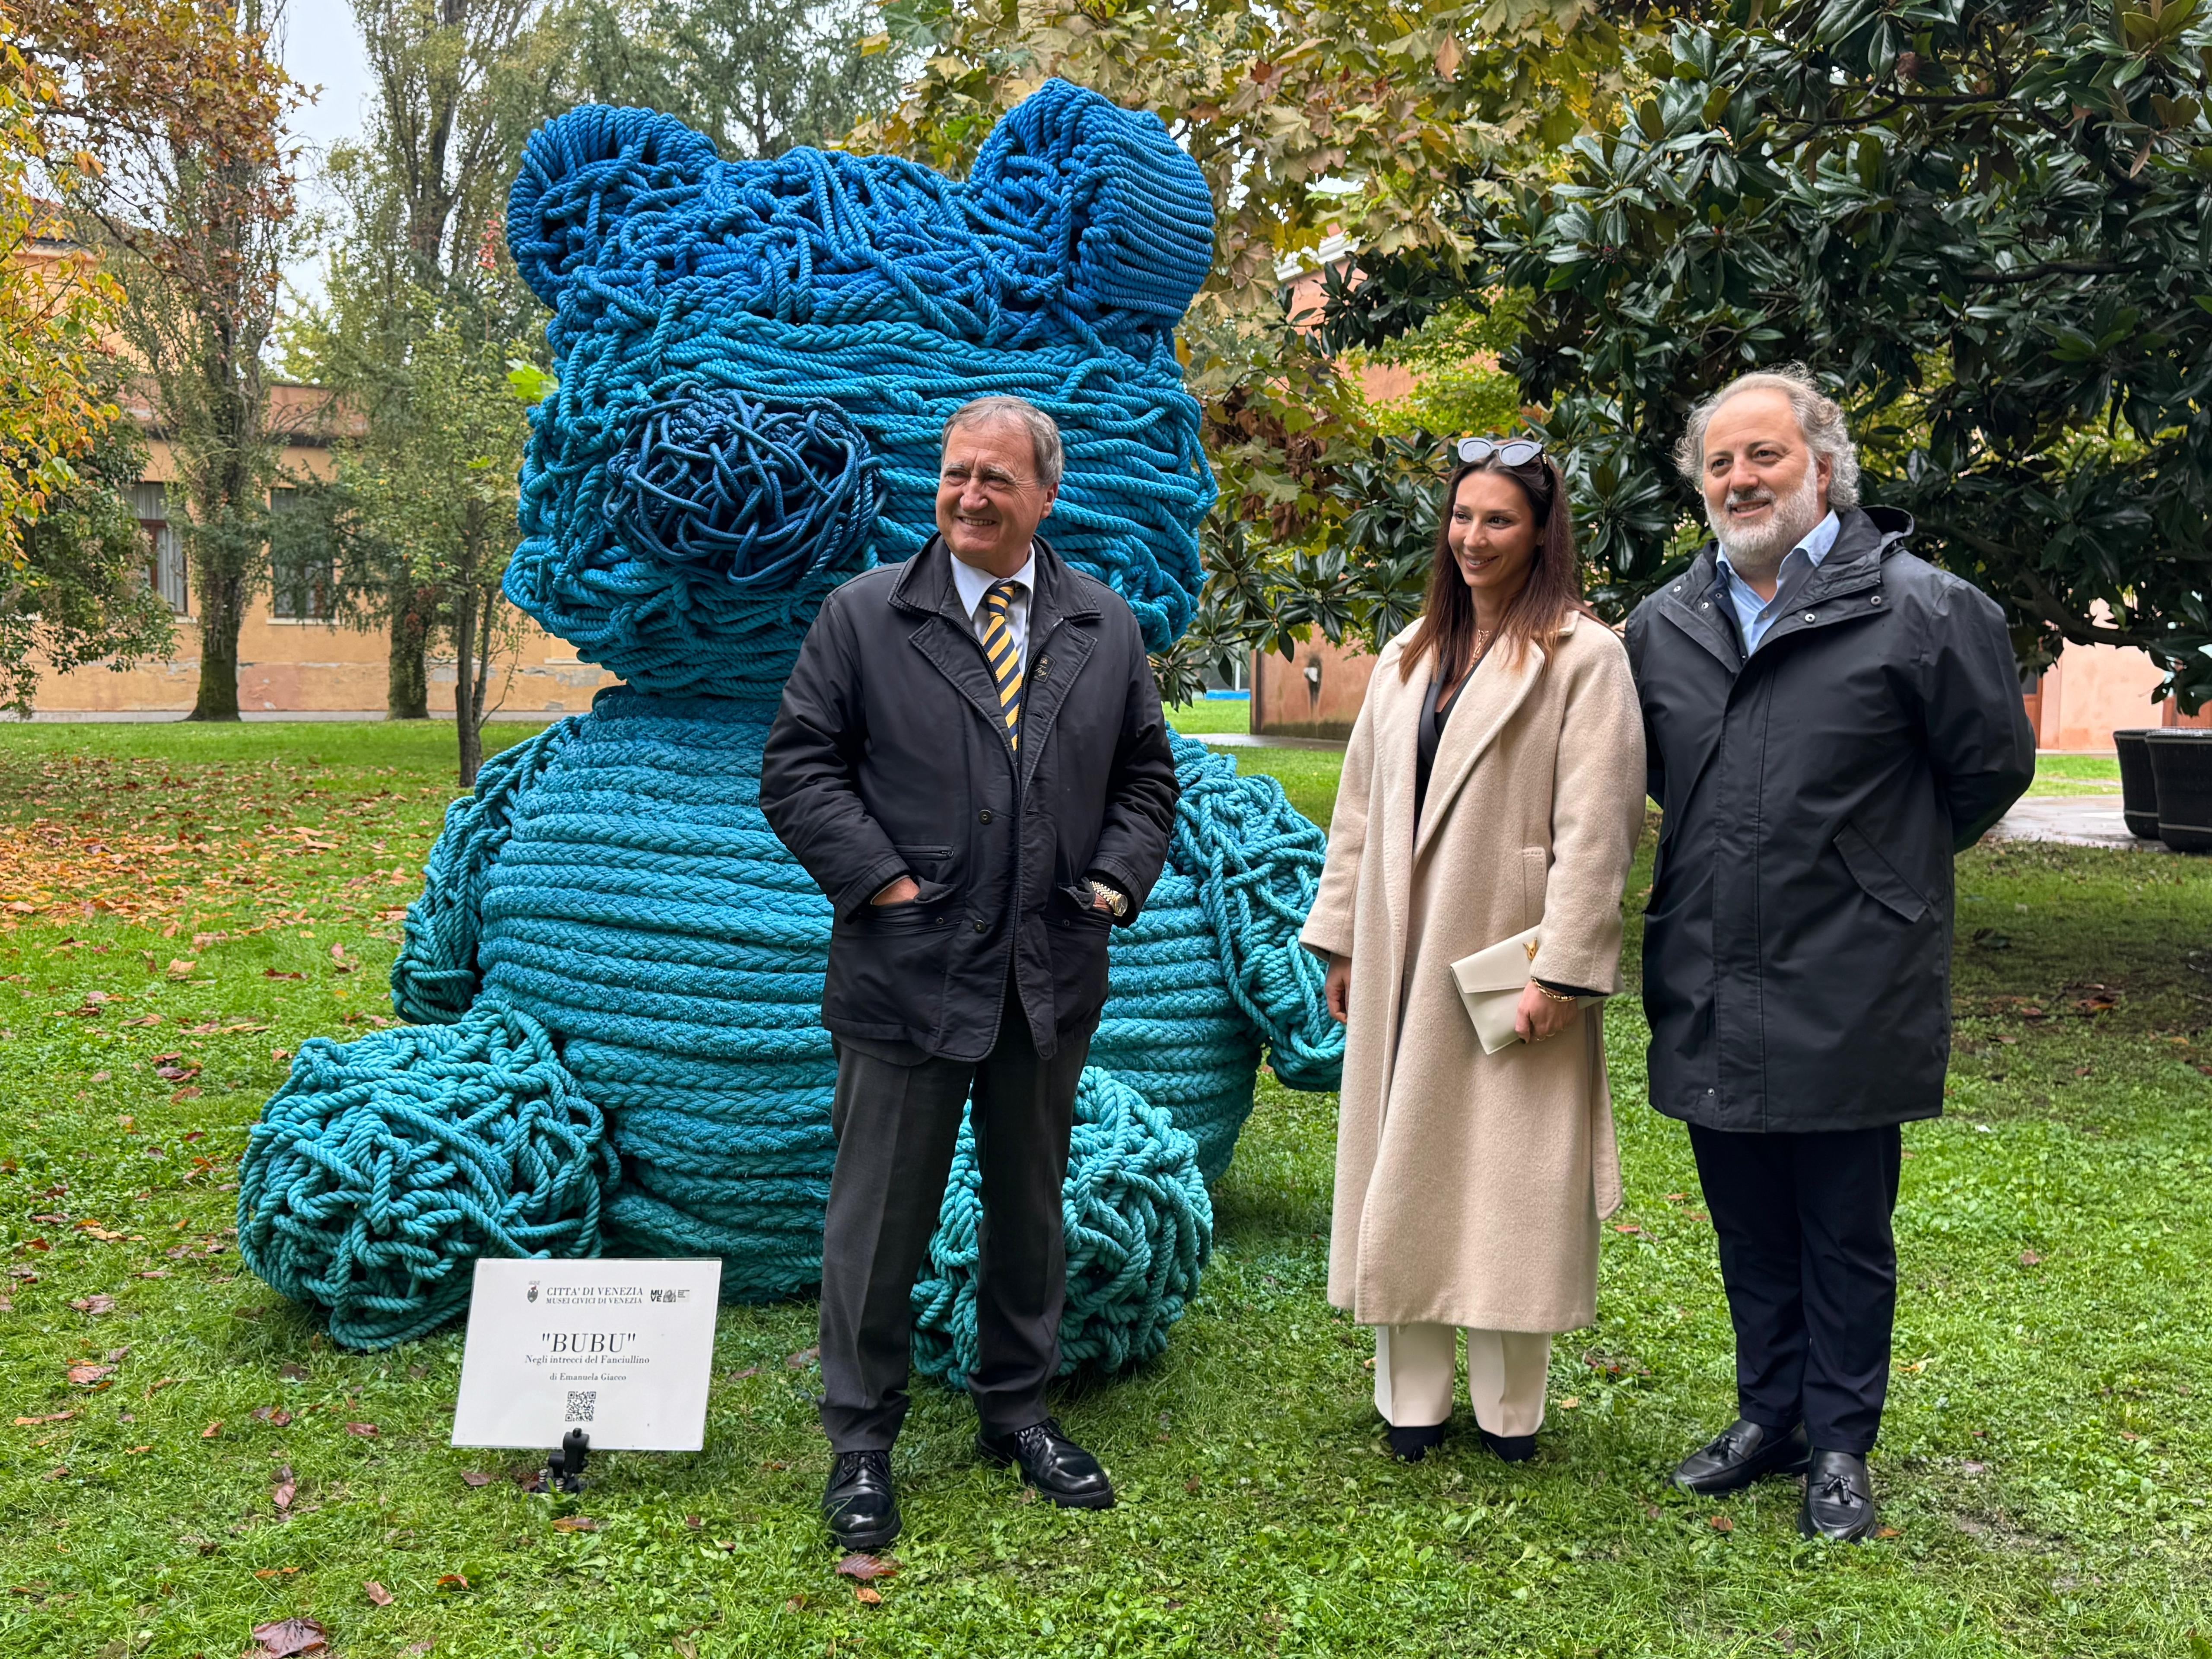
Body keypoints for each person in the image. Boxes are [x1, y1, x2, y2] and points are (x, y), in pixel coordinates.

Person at [760, 395, 1180, 1550]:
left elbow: (1149, 777)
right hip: (906, 971)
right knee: (877, 1217)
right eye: (956, 476)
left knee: (1028, 1208)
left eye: (997, 479)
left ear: (1046, 494)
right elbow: (799, 770)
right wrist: (887, 886)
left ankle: (1017, 1411)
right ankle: (860, 1444)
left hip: (1047, 971)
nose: (970, 498)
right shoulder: (864, 617)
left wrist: (1112, 883)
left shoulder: (1103, 624)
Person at [1625, 366, 2036, 1541]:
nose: (1741, 479)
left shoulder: (1927, 610)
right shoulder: (1667, 624)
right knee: (1747, 1216)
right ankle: (1770, 1415)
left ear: (1823, 465)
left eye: (1764, 455)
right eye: (1720, 462)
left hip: (1855, 969)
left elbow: (1986, 770)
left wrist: (1872, 866)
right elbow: (1665, 776)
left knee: (1843, 1226)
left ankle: (1843, 1443)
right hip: (1711, 959)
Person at [1300, 438, 1646, 1465]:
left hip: (1505, 958)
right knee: (1397, 1163)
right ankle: (1410, 1403)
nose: (1473, 539)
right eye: (1462, 518)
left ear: (1541, 533)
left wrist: (1564, 968)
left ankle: (1509, 1416)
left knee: (1508, 1184)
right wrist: (1344, 943)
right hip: (1400, 945)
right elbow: (1357, 813)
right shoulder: (1411, 652)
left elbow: (1601, 825)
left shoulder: (1585, 656)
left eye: (1498, 520)